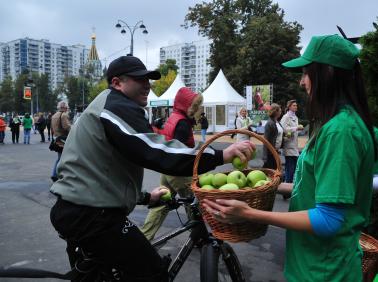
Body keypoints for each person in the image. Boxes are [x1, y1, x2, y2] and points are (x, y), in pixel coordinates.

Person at [49, 55, 255, 281]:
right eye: (139, 79)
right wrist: (220, 154)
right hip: (92, 215)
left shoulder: (110, 104)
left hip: (81, 210)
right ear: (117, 83)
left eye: (148, 79)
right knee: (154, 274)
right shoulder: (116, 105)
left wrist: (146, 197)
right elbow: (155, 150)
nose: (147, 85)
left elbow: (102, 172)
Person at [203, 34, 378, 281]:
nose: (302, 82)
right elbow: (314, 187)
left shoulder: (341, 131)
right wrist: (266, 185)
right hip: (313, 267)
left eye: (306, 73)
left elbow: (329, 219)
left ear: (326, 74)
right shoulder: (337, 124)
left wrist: (249, 214)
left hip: (324, 272)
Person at [141, 87, 203, 240]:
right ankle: (200, 236)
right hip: (178, 171)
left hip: (168, 169)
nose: (195, 110)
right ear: (185, 105)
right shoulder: (182, 123)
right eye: (193, 106)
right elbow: (178, 151)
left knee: (161, 204)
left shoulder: (175, 116)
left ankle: (144, 237)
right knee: (193, 202)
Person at [280, 100, 303, 183]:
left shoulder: (295, 117)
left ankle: (287, 185)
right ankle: (286, 189)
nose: (296, 107)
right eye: (294, 105)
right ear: (289, 107)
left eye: (296, 105)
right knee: (290, 168)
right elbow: (284, 129)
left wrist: (298, 130)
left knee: (292, 168)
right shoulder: (285, 117)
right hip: (288, 146)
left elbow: (292, 130)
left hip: (294, 145)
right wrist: (296, 128)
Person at [50, 101, 71, 182]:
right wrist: (74, 130)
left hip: (57, 138)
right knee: (65, 158)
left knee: (59, 158)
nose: (67, 109)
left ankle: (55, 174)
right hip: (63, 139)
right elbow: (67, 127)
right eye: (67, 107)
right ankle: (58, 175)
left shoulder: (54, 115)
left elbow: (52, 128)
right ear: (65, 107)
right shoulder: (64, 115)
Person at [262, 103, 283, 169]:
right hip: (270, 153)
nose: (281, 112)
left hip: (275, 151)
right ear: (275, 111)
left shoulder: (277, 122)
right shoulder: (270, 123)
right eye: (279, 110)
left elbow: (277, 135)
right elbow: (265, 140)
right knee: (271, 171)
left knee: (274, 170)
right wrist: (265, 157)